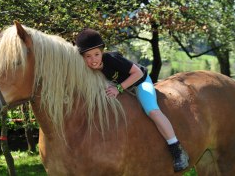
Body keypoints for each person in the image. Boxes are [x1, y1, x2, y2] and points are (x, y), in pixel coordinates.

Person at [75, 28, 189, 172]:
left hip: (139, 82)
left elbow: (138, 73)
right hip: (122, 86)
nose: (93, 60)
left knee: (152, 110)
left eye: (96, 54)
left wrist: (119, 89)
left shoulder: (112, 58)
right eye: (88, 56)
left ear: (102, 52)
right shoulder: (89, 68)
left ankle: (177, 149)